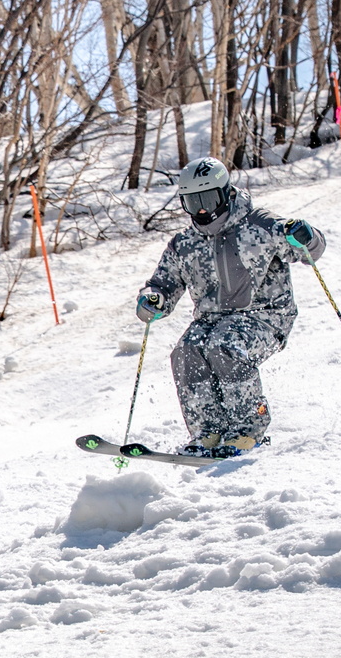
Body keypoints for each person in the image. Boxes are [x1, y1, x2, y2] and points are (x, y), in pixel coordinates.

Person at [135, 156, 326, 458]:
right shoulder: (184, 243)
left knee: (225, 347)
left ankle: (248, 428)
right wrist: (153, 299)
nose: (201, 210)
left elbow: (309, 250)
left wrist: (305, 236)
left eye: (208, 199)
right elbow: (163, 285)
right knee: (186, 352)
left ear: (225, 193)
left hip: (265, 316)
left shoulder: (260, 225)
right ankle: (207, 430)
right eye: (192, 201)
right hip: (211, 319)